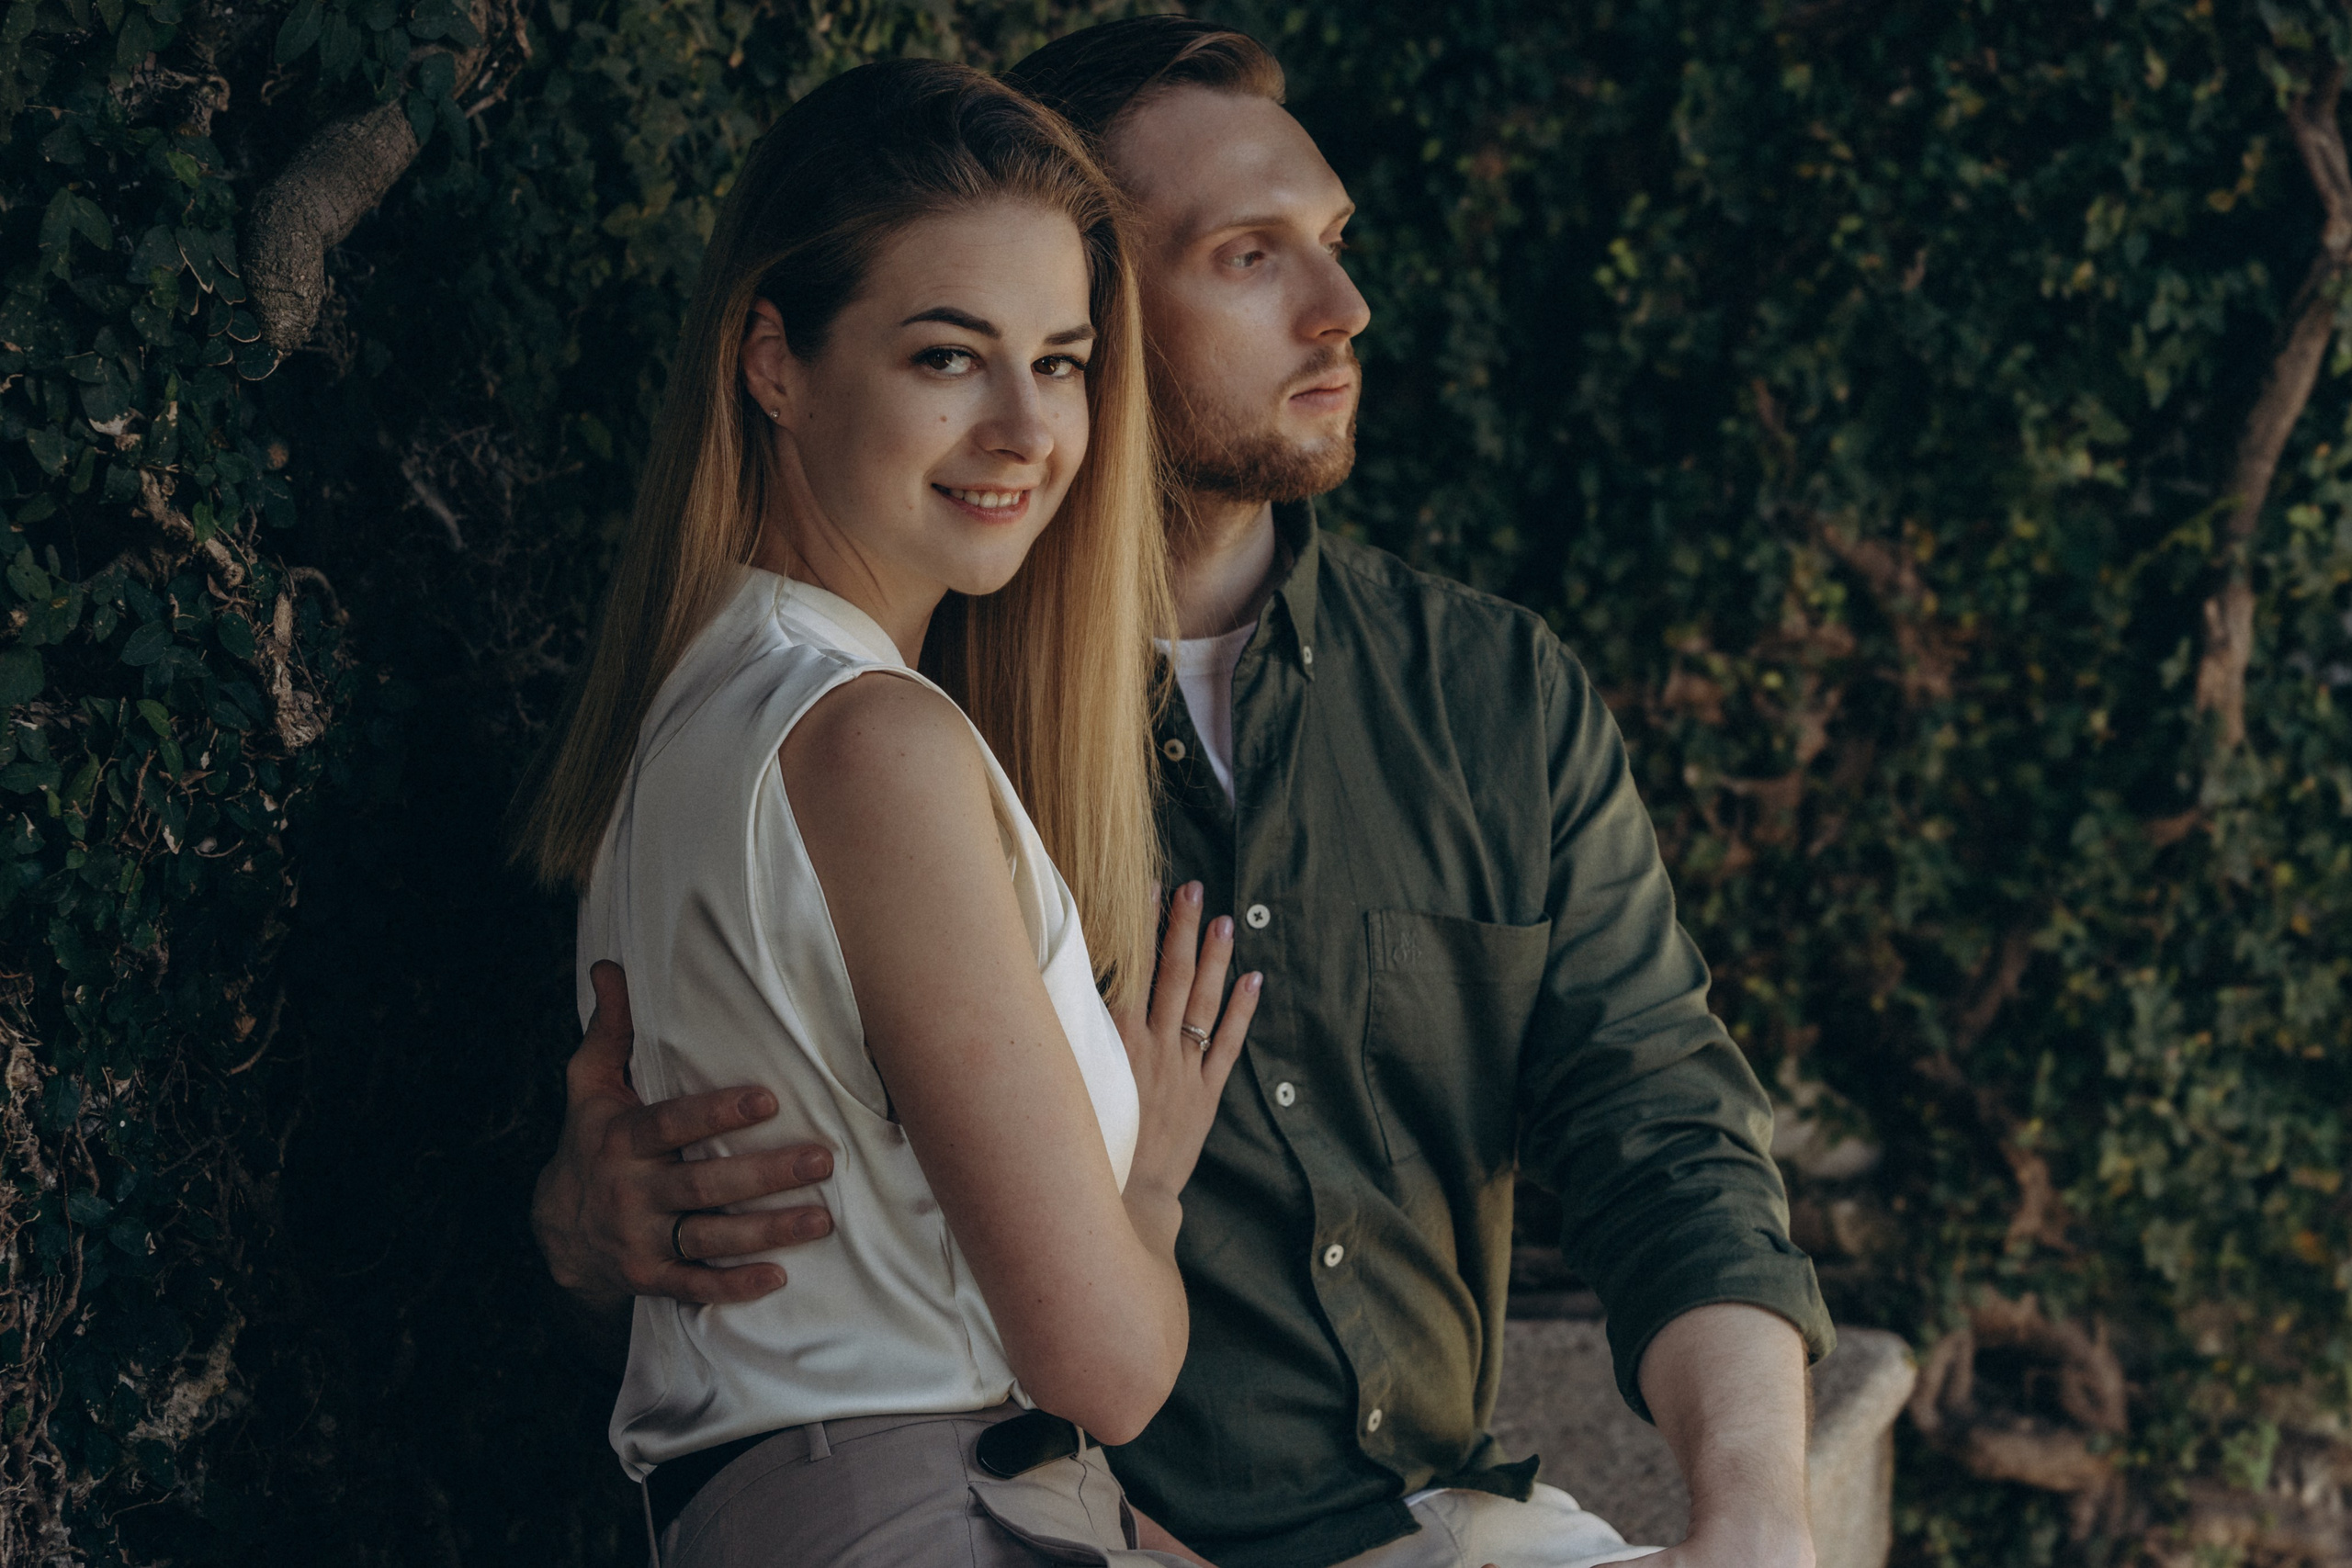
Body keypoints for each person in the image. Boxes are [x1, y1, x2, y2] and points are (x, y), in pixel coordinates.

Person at [533, 20, 1835, 1568]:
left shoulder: (1489, 694)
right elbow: (695, 1103)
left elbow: (1659, 1113)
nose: (1343, 310)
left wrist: (1760, 1512)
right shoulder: (903, 704)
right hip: (1078, 1519)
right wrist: (583, 1220)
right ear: (1110, 295)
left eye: (1334, 245)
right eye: (1247, 257)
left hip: (1432, 1520)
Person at [514, 56, 1265, 1567]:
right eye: (946, 357)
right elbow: (1106, 1367)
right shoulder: (870, 746)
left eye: (1059, 361)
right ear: (774, 361)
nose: (1023, 428)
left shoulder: (706, 711)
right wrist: (1154, 1190)